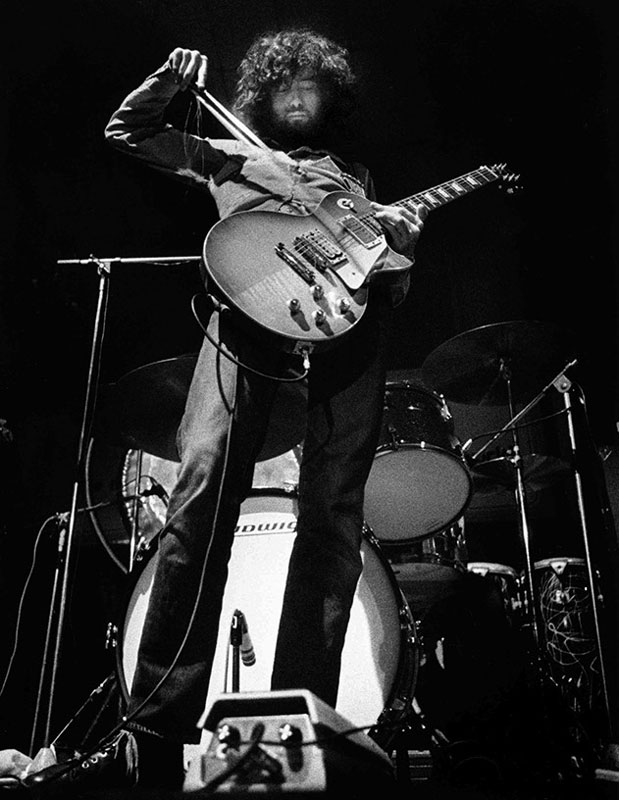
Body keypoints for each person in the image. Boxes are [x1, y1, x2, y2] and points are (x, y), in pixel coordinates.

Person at [26, 28, 425, 794]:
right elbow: (128, 132)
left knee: (334, 512)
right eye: (286, 84)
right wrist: (165, 83)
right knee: (201, 489)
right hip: (243, 313)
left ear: (331, 97)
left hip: (348, 325)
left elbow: (389, 277)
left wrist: (400, 247)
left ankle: (298, 721)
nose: (299, 95)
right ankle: (153, 731)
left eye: (312, 84)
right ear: (264, 93)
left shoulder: (352, 177)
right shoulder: (230, 153)